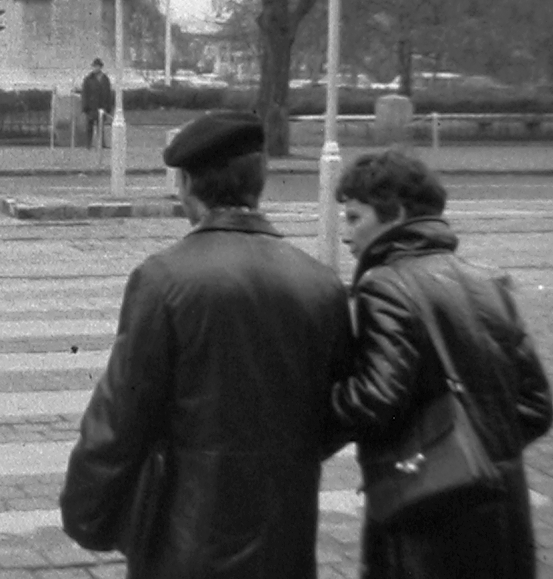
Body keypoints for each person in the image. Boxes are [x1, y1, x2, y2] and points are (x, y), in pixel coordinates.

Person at [61, 110, 353, 579]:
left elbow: (120, 417)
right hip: (286, 535)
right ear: (258, 182)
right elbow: (341, 407)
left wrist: (87, 513)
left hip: (187, 535)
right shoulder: (320, 283)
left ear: (187, 186)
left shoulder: (164, 280)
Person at [330, 149, 553, 579]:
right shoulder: (487, 281)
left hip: (427, 520)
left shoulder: (386, 284)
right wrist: (477, 449)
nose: (347, 235)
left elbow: (378, 399)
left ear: (393, 214)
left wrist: (319, 407)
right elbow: (536, 406)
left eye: (354, 218)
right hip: (502, 511)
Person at [80, 58, 113, 148]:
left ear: (100, 67)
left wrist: (108, 108)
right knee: (89, 127)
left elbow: (108, 94)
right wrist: (84, 107)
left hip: (102, 107)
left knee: (100, 127)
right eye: (94, 66)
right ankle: (88, 144)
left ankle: (102, 144)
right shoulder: (88, 79)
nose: (95, 68)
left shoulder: (105, 79)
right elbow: (85, 94)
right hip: (90, 107)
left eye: (97, 66)